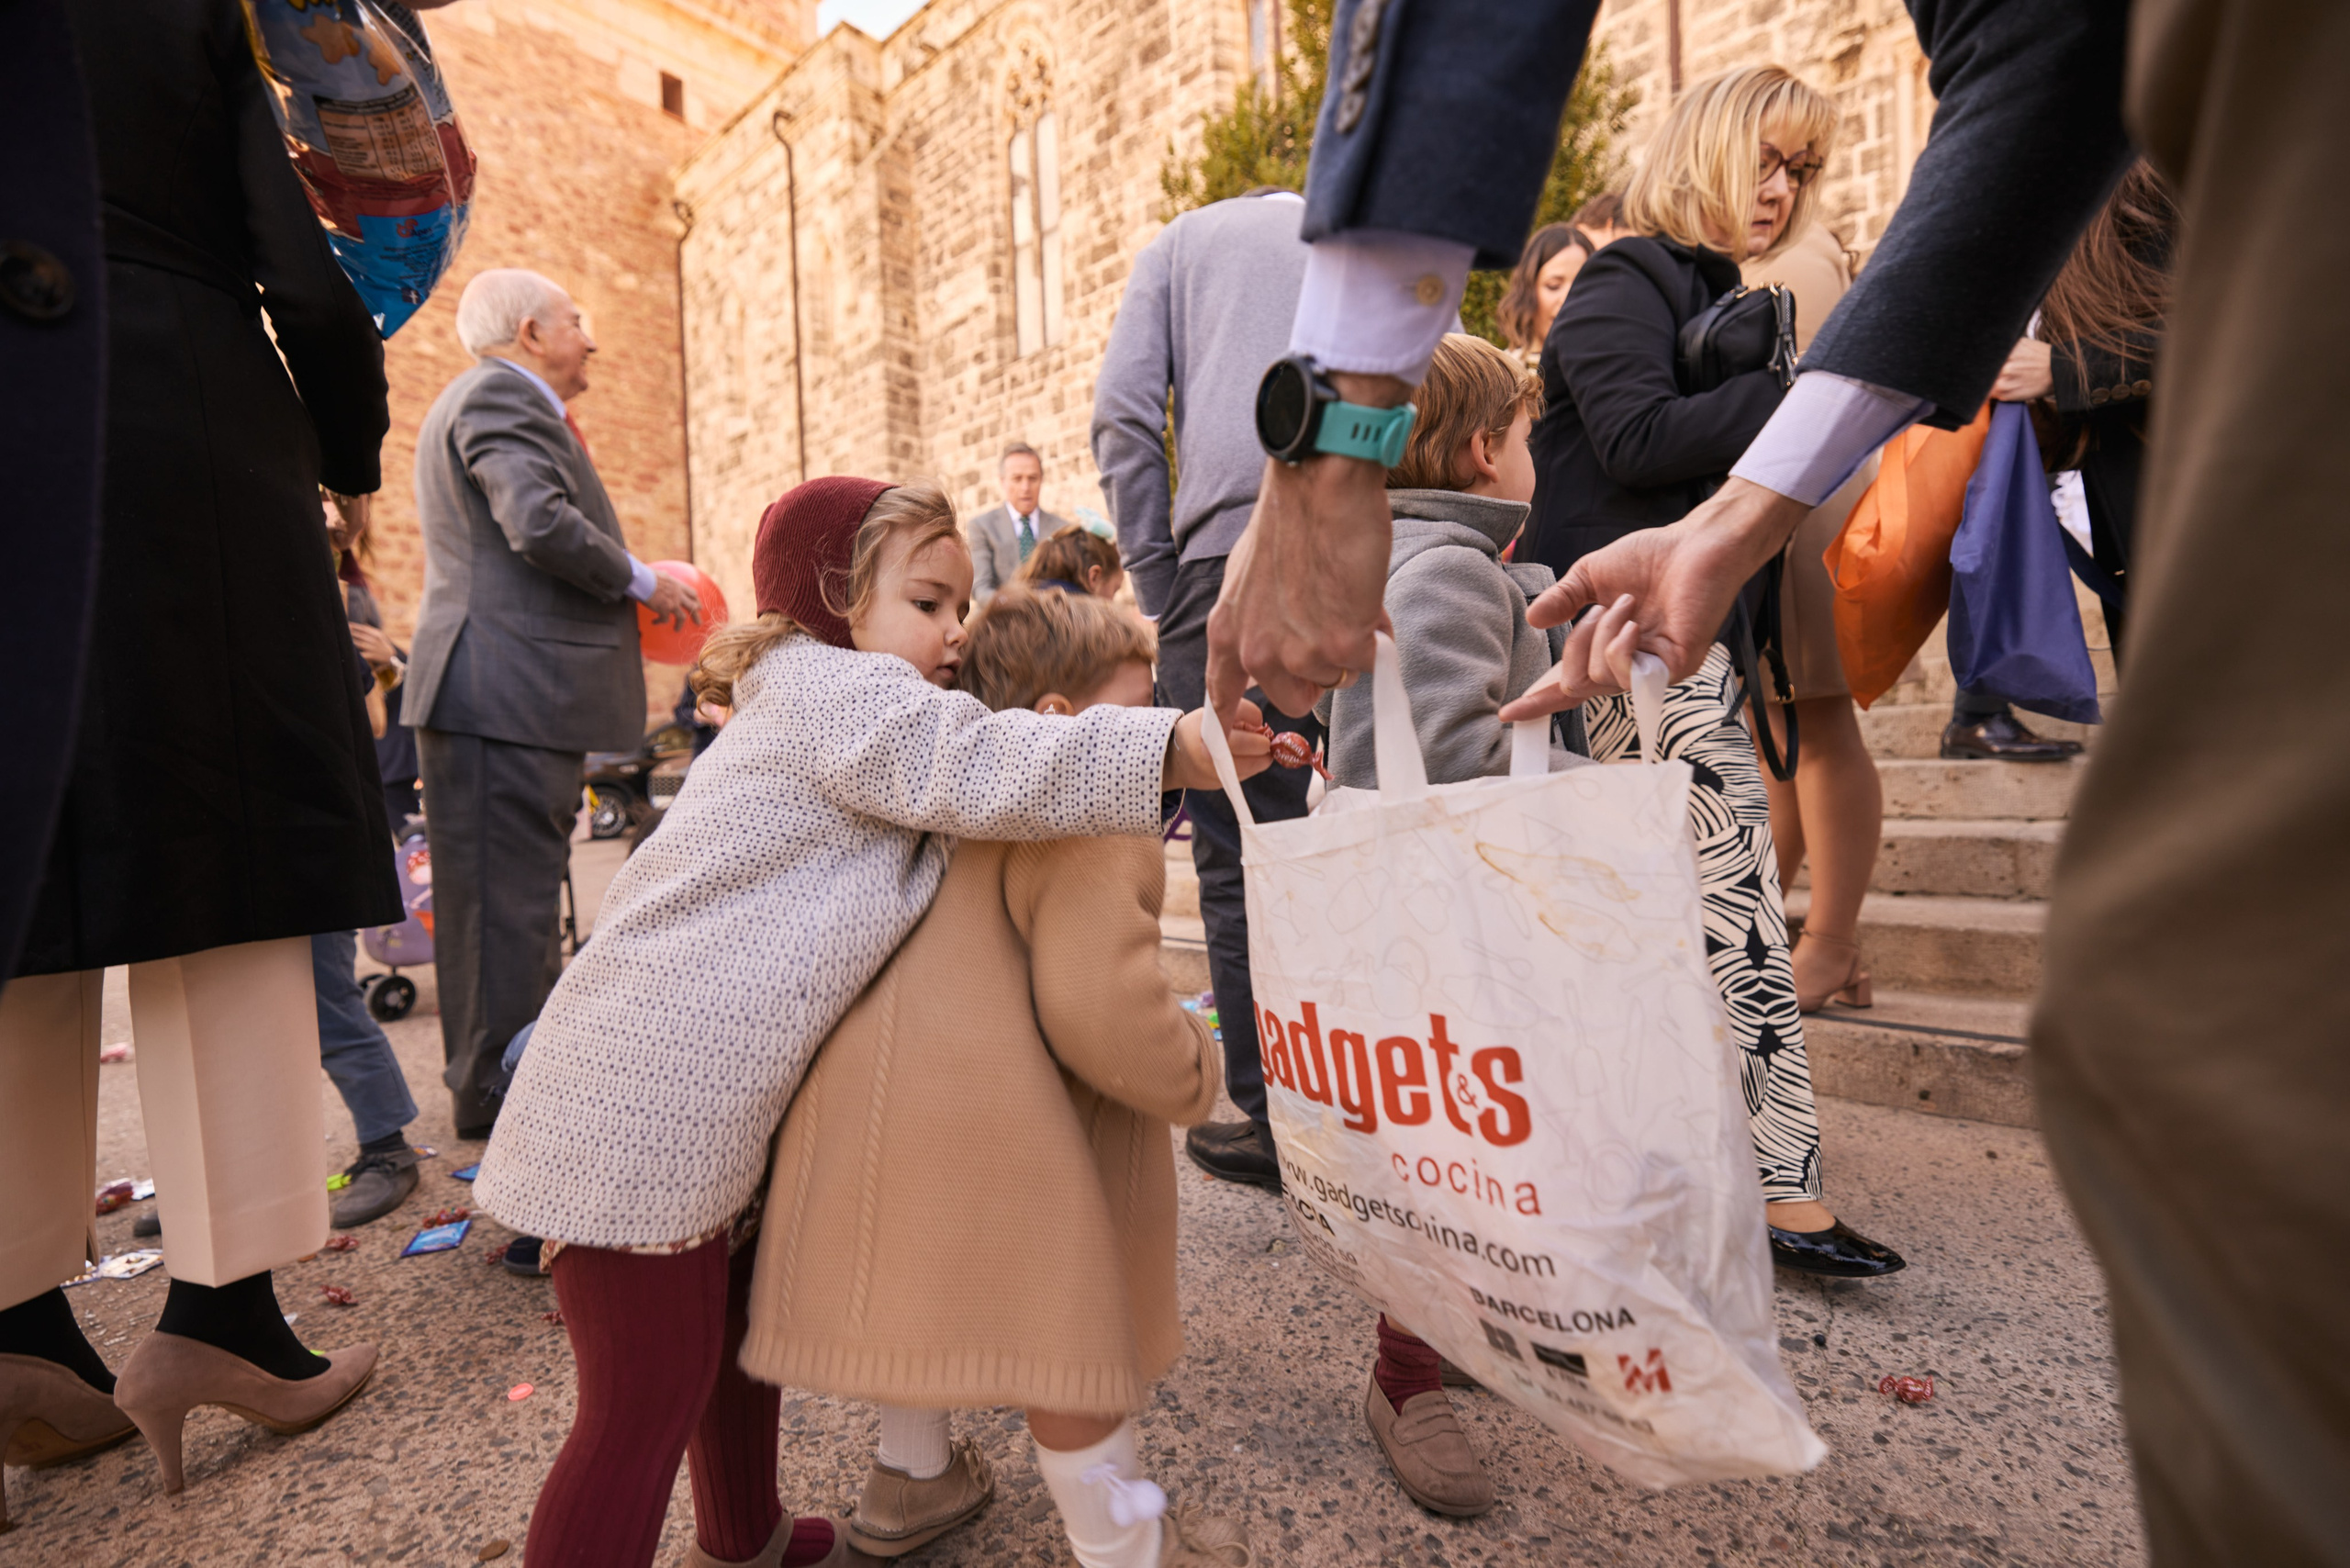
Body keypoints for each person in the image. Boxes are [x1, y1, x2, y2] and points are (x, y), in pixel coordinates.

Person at [473, 477, 1265, 1568]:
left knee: (725, 1357)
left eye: (963, 607)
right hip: (631, 1119)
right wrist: (1163, 746)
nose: (958, 631)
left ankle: (741, 1536)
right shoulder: (827, 693)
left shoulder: (833, 718)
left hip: (694, 1121)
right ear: (829, 605)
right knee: (639, 1408)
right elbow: (980, 764)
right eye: (930, 604)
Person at [1, 0, 401, 1509]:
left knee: (24, 876)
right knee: (224, 859)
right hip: (174, 416)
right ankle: (224, 1312)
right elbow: (301, 266)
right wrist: (343, 448)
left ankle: (21, 1326)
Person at [741, 586, 1250, 1568]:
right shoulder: (1090, 811)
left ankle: (911, 1477)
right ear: (1063, 721)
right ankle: (1128, 1547)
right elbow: (1098, 1006)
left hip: (886, 1107)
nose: (1155, 734)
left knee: (920, 1300)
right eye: (1142, 708)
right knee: (1072, 1353)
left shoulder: (939, 792)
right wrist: (1196, 1071)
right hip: (1004, 1133)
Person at [1314, 332, 1572, 1517]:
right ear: (1481, 450)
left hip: (1413, 920)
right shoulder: (1451, 569)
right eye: (1525, 435)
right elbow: (1440, 762)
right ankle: (1404, 1375)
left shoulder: (1419, 555)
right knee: (1445, 1161)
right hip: (1440, 927)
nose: (1537, 454)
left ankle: (1461, 1336)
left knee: (1470, 1154)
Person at [405, 267, 704, 1140]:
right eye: (577, 321)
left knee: (496, 909)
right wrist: (644, 578)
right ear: (531, 333)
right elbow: (534, 520)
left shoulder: (484, 400)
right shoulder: (505, 397)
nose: (592, 339)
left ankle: (491, 1092)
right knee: (509, 912)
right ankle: (510, 1101)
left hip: (494, 695)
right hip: (503, 693)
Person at [1092, 185, 1316, 1193]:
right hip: (1373, 541)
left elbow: (1124, 416)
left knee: (1236, 842)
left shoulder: (1179, 245)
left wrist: (1156, 571)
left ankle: (1277, 1120)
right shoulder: (1349, 229)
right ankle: (1380, 1100)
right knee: (1353, 825)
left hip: (1223, 556)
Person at [1738, 219, 1889, 1012]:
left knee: (1818, 731)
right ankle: (1808, 939)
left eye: (1796, 164)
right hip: (1778, 512)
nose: (1777, 185)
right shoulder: (1779, 256)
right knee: (1783, 744)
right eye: (1765, 160)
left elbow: (1805, 405)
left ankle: (1829, 943)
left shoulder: (1797, 261)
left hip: (1801, 514)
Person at [1986, 157, 2175, 663]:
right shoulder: (2046, 209)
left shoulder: (2164, 180)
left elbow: (2233, 328)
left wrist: (2061, 370)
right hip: (2119, 518)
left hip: (2209, 506)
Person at [966, 442, 1070, 601]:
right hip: (1002, 620)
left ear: (1041, 480)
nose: (1025, 487)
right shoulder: (982, 527)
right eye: (1017, 479)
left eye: (1032, 478)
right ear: (1002, 481)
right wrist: (1015, 610)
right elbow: (981, 587)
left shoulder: (1062, 529)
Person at [1494, 222, 1593, 370]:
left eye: (1581, 286)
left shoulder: (1610, 371)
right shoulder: (1503, 374)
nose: (1568, 299)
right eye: (1553, 286)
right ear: (1528, 292)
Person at [1014, 522, 1126, 598]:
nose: (1113, 602)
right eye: (1114, 591)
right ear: (1094, 577)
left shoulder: (1016, 616)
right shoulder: (1087, 630)